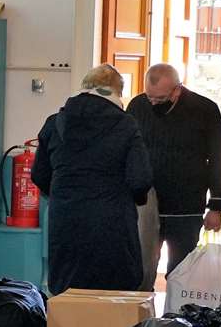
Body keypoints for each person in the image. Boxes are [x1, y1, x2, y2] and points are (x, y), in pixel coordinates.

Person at [30, 64, 153, 294]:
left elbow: (39, 174)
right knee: (113, 295)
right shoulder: (126, 125)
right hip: (113, 224)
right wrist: (132, 198)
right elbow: (140, 179)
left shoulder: (55, 123)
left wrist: (64, 194)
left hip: (66, 221)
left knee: (69, 293)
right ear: (117, 92)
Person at [125, 64, 221, 275]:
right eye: (149, 97)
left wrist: (216, 206)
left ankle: (179, 308)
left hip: (186, 207)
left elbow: (218, 158)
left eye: (160, 99)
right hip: (146, 205)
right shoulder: (137, 106)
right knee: (141, 267)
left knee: (182, 269)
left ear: (177, 89)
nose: (153, 103)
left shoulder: (205, 109)